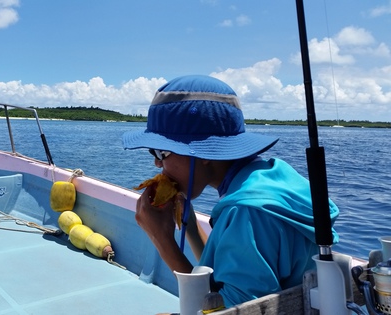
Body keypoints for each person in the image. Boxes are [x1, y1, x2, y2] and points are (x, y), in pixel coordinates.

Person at [122, 75, 339, 308]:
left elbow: (232, 311)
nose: (157, 164)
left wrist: (162, 239)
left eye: (162, 152)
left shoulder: (246, 211)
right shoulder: (264, 180)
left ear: (203, 153)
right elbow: (221, 281)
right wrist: (192, 228)